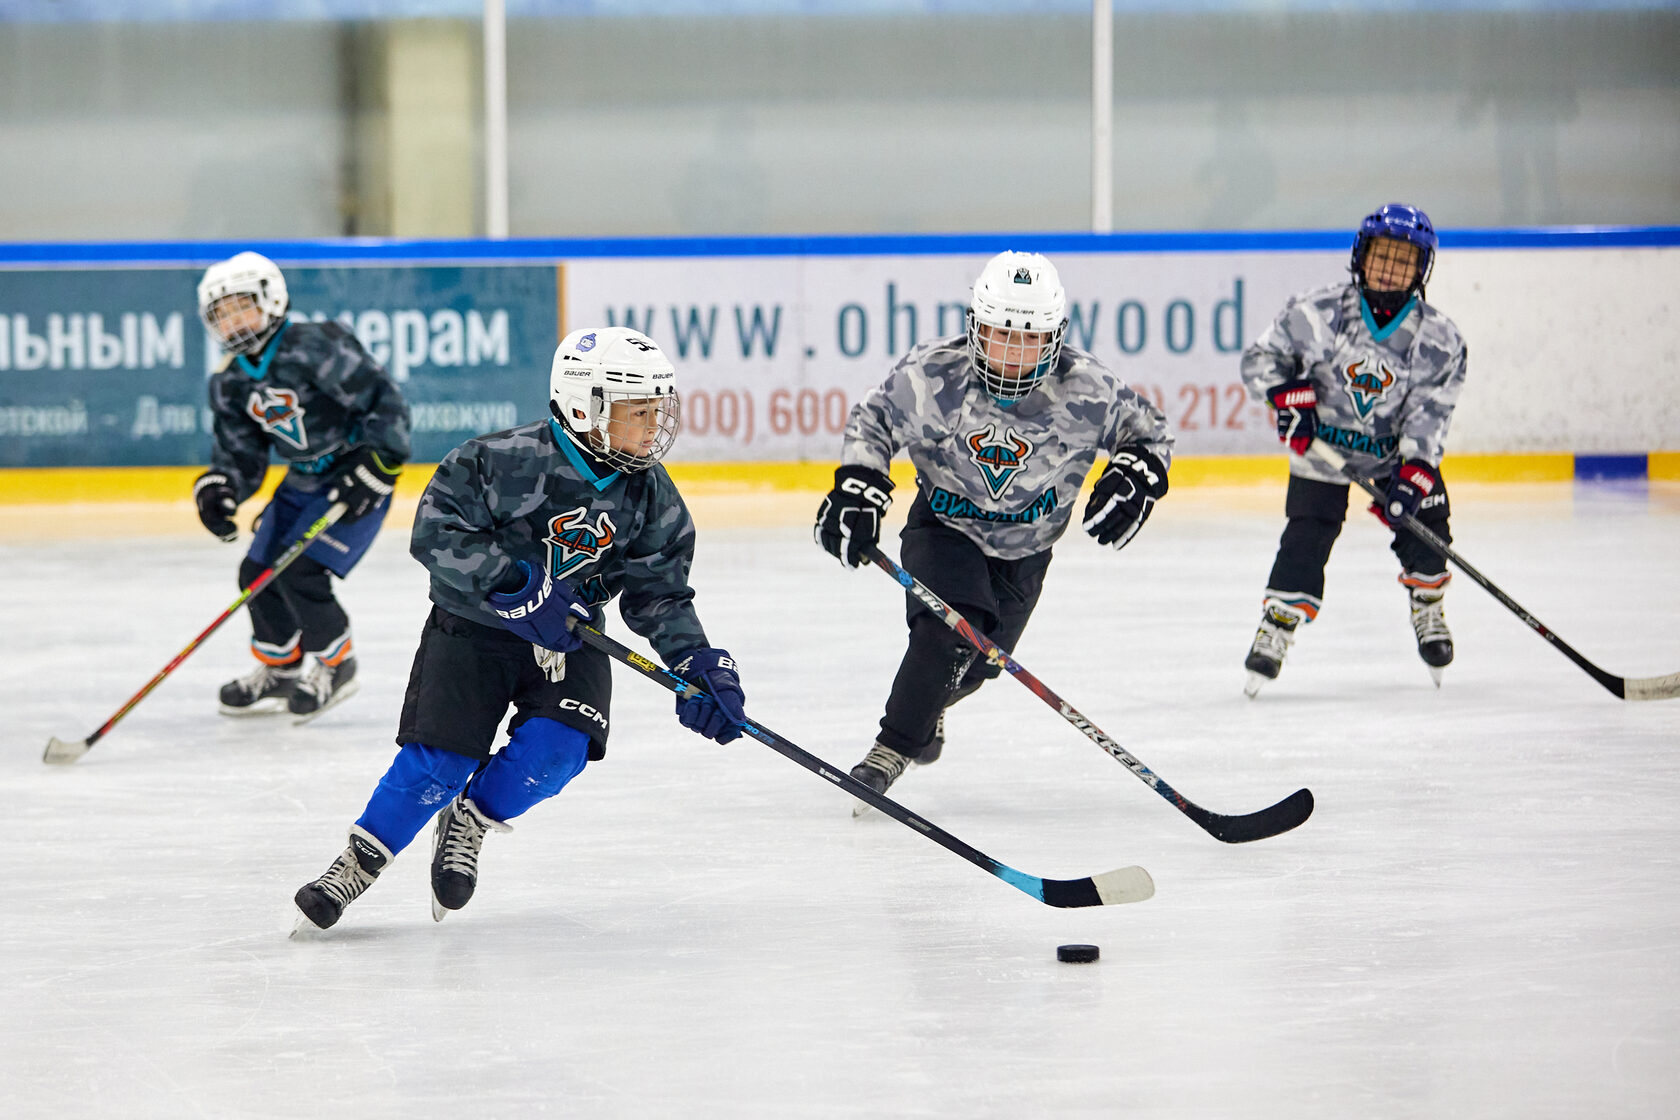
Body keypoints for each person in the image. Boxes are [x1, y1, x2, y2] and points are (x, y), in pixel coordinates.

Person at [293, 326, 746, 932]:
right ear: (587, 408)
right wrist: (509, 581)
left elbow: (658, 593)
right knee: (440, 762)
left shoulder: (649, 494)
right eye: (638, 412)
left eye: (656, 410)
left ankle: (471, 818)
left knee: (559, 753)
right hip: (472, 629)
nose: (654, 426)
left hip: (570, 638)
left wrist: (697, 662)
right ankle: (358, 860)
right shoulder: (498, 459)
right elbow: (434, 531)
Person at [814, 250, 1174, 808]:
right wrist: (859, 482)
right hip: (945, 528)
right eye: (1000, 335)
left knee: (979, 664)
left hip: (1028, 552)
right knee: (951, 632)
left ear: (1054, 339)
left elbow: (1150, 435)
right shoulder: (936, 374)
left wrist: (1138, 473)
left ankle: (928, 706)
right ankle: (888, 753)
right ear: (975, 328)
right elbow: (875, 418)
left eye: (1028, 340)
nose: (1012, 354)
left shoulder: (1089, 388)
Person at [1239, 203, 1468, 696]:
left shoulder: (1441, 340)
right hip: (1323, 449)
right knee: (1307, 533)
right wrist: (1286, 397)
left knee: (1428, 530)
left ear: (1421, 269)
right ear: (1361, 257)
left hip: (1393, 458)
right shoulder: (1317, 312)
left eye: (1404, 260)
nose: (1390, 269)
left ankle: (1427, 604)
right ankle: (1278, 623)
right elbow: (1261, 360)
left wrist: (1413, 473)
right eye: (1382, 256)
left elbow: (1432, 414)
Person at [193, 251, 410, 719]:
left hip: (354, 476)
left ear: (272, 299)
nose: (232, 322)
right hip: (301, 482)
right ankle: (281, 669)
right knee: (256, 575)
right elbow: (240, 451)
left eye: (241, 306)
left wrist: (380, 463)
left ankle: (337, 665)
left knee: (300, 572)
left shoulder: (315, 345)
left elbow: (383, 399)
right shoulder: (230, 382)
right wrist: (220, 486)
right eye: (221, 314)